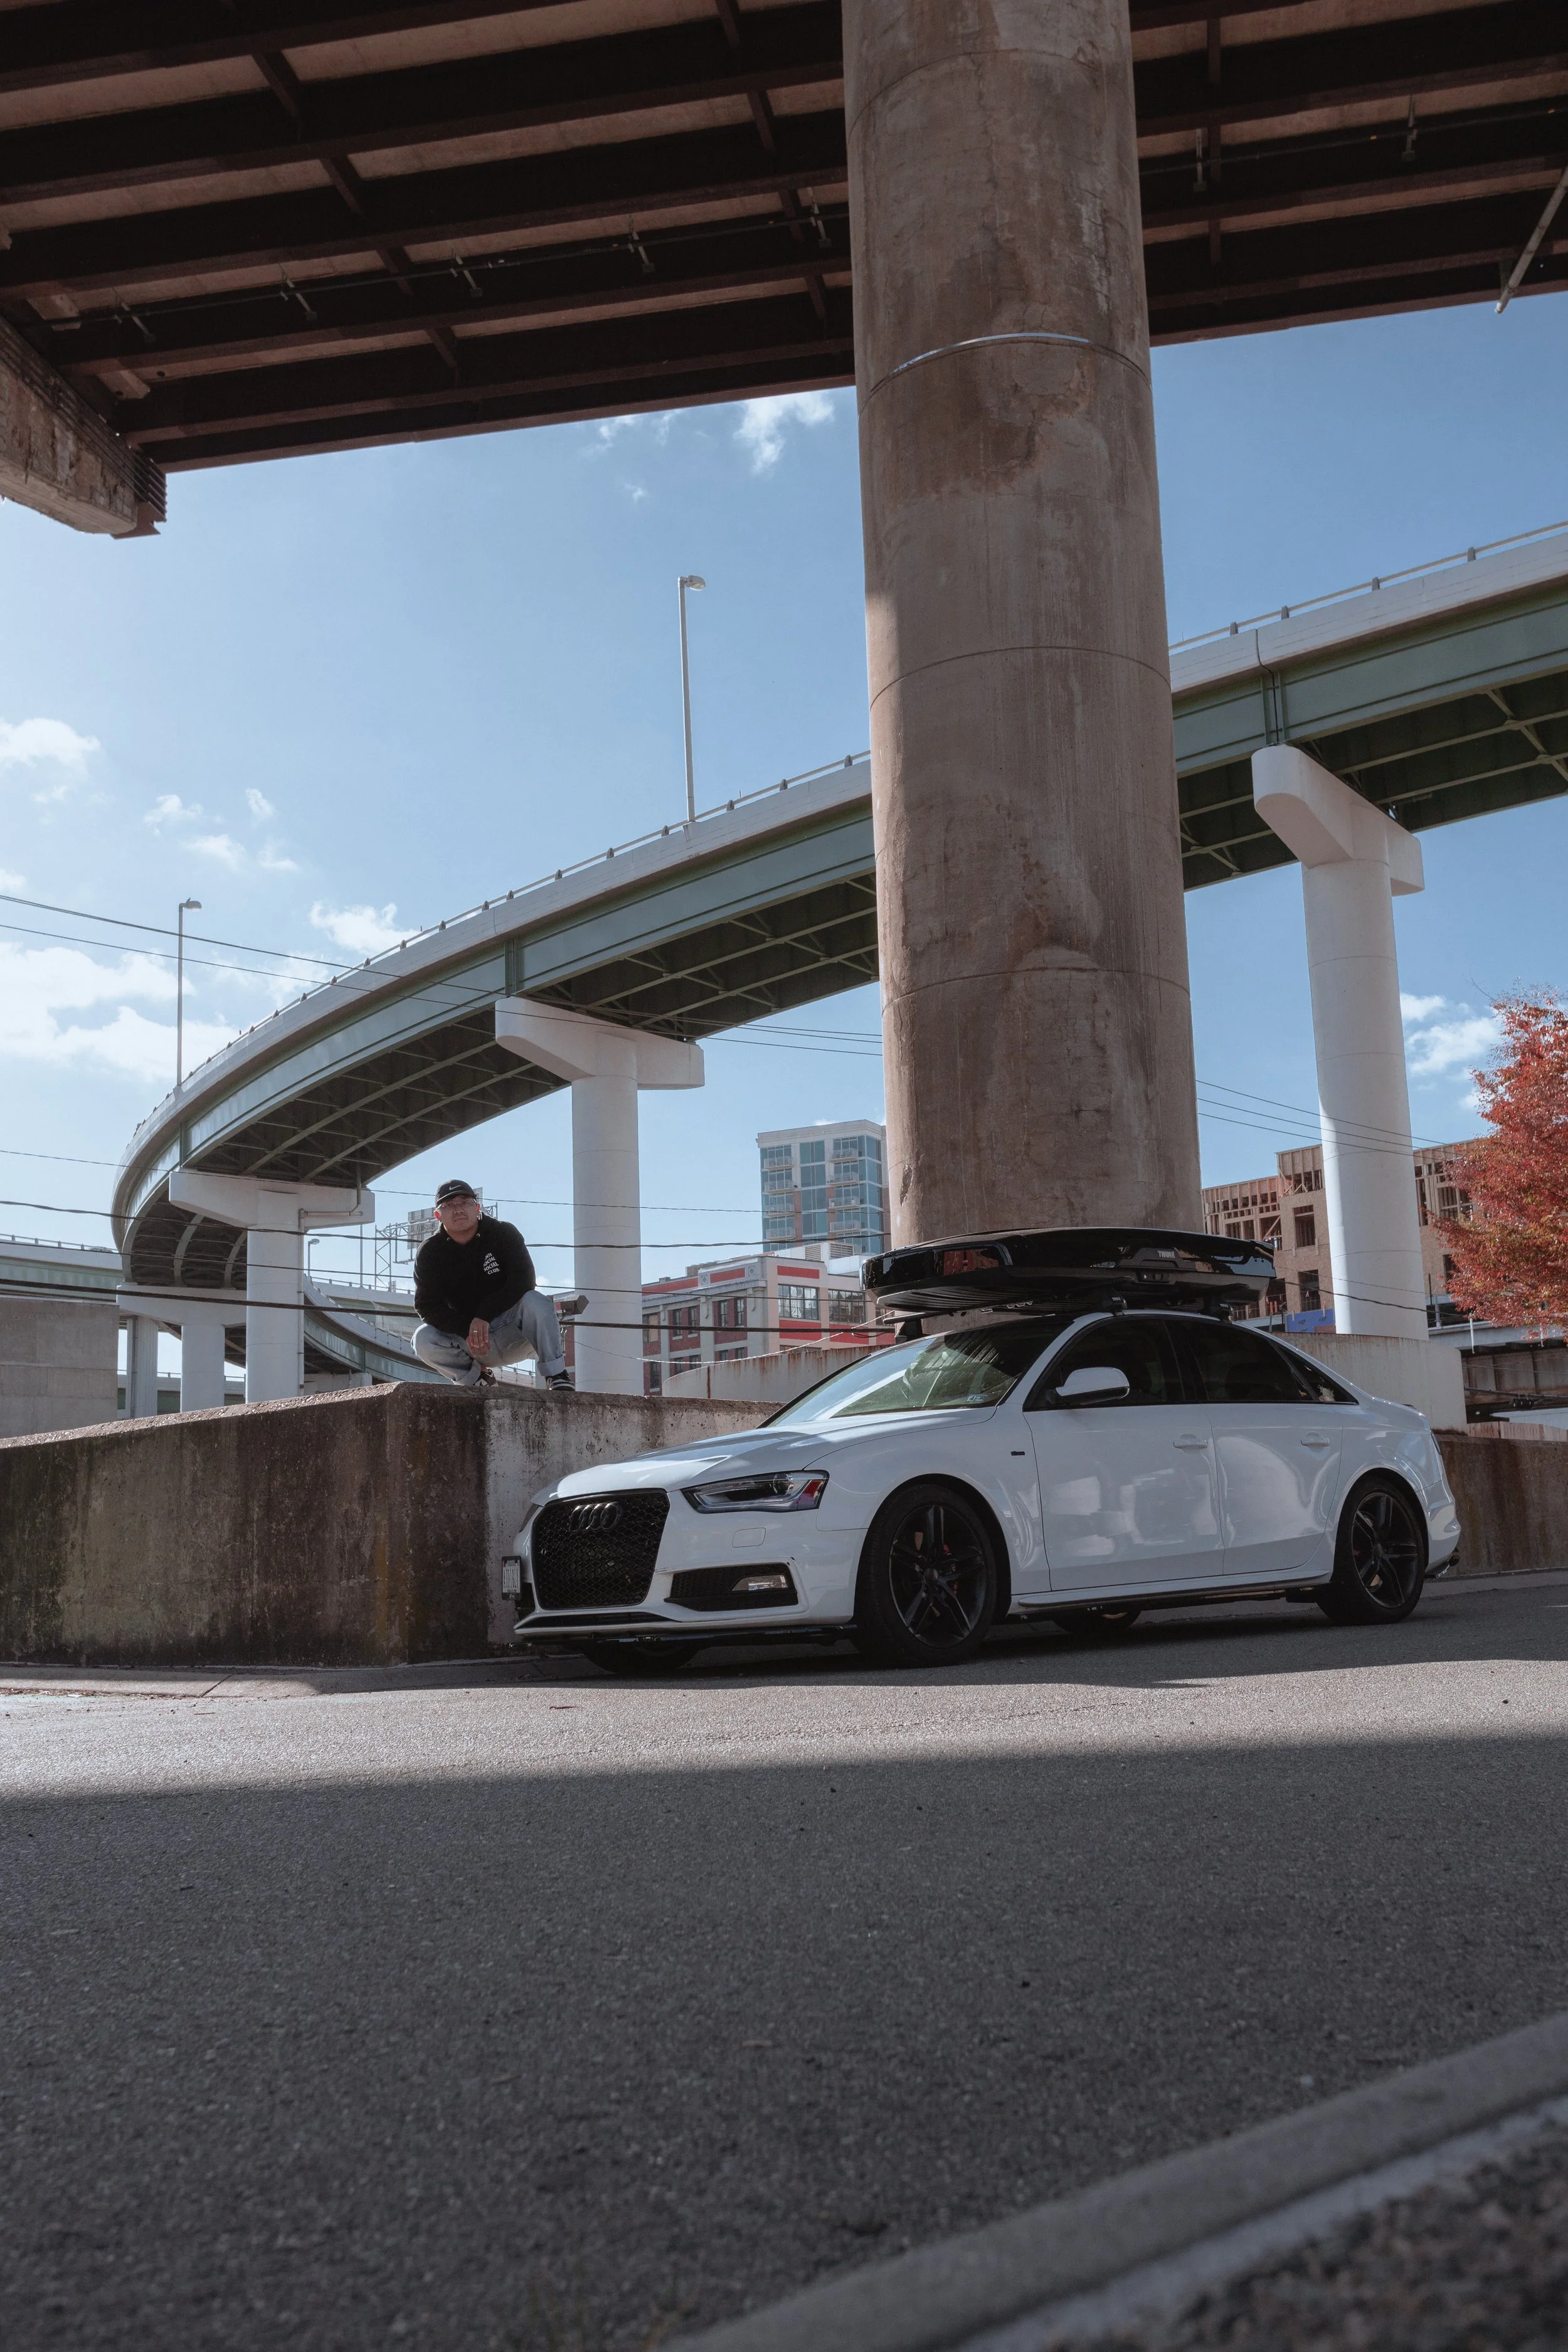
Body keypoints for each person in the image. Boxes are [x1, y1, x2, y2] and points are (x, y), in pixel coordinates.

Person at [411, 1180, 581, 1391]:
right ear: (438, 1215)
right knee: (423, 1338)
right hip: (469, 1342)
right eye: (448, 1206)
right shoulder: (430, 1252)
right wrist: (467, 1329)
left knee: (536, 1301)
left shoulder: (502, 1233)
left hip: (514, 1334)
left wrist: (484, 1316)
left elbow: (524, 1279)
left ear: (477, 1207)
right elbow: (426, 1305)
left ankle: (556, 1375)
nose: (458, 1210)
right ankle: (478, 1378)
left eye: (464, 1202)